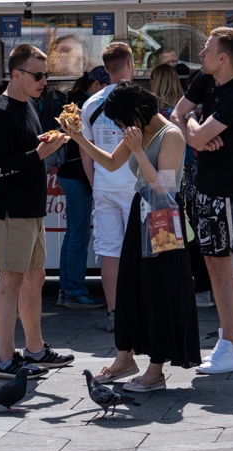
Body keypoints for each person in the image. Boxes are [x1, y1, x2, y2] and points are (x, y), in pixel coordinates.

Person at [63, 83, 200, 390]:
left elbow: (163, 187)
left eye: (121, 120)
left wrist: (138, 149)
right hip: (142, 211)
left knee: (158, 291)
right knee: (130, 287)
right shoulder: (138, 130)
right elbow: (111, 162)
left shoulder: (171, 135)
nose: (121, 127)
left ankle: (156, 370)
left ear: (135, 111)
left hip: (163, 218)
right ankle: (125, 356)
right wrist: (79, 139)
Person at [0, 43, 74, 377]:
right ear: (17, 74)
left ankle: (34, 350)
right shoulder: (2, 112)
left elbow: (30, 147)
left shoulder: (30, 105)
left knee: (36, 277)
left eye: (47, 74)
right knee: (10, 283)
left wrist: (50, 142)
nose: (44, 81)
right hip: (10, 212)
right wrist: (39, 153)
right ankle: (5, 361)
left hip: (31, 209)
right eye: (38, 75)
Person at [170, 26, 233, 375]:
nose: (201, 53)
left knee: (222, 267)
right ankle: (230, 337)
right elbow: (176, 116)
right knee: (212, 265)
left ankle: (229, 346)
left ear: (224, 57)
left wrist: (197, 132)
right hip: (202, 188)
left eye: (207, 49)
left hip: (226, 193)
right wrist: (196, 128)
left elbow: (193, 134)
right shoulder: (204, 81)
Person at [81, 42, 138, 333]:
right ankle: (140, 310)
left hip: (104, 187)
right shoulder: (141, 99)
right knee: (141, 250)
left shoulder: (90, 104)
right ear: (130, 64)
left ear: (105, 69)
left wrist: (96, 185)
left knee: (109, 252)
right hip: (136, 187)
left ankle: (115, 312)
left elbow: (86, 154)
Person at [151, 63, 211, 304]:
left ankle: (171, 288)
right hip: (192, 176)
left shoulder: (155, 117)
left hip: (167, 179)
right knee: (192, 232)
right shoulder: (185, 111)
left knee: (166, 232)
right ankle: (203, 288)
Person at [55, 68, 107, 310]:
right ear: (96, 83)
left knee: (73, 235)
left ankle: (66, 290)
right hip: (79, 176)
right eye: (104, 85)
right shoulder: (87, 106)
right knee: (79, 235)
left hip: (68, 173)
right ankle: (74, 291)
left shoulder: (72, 103)